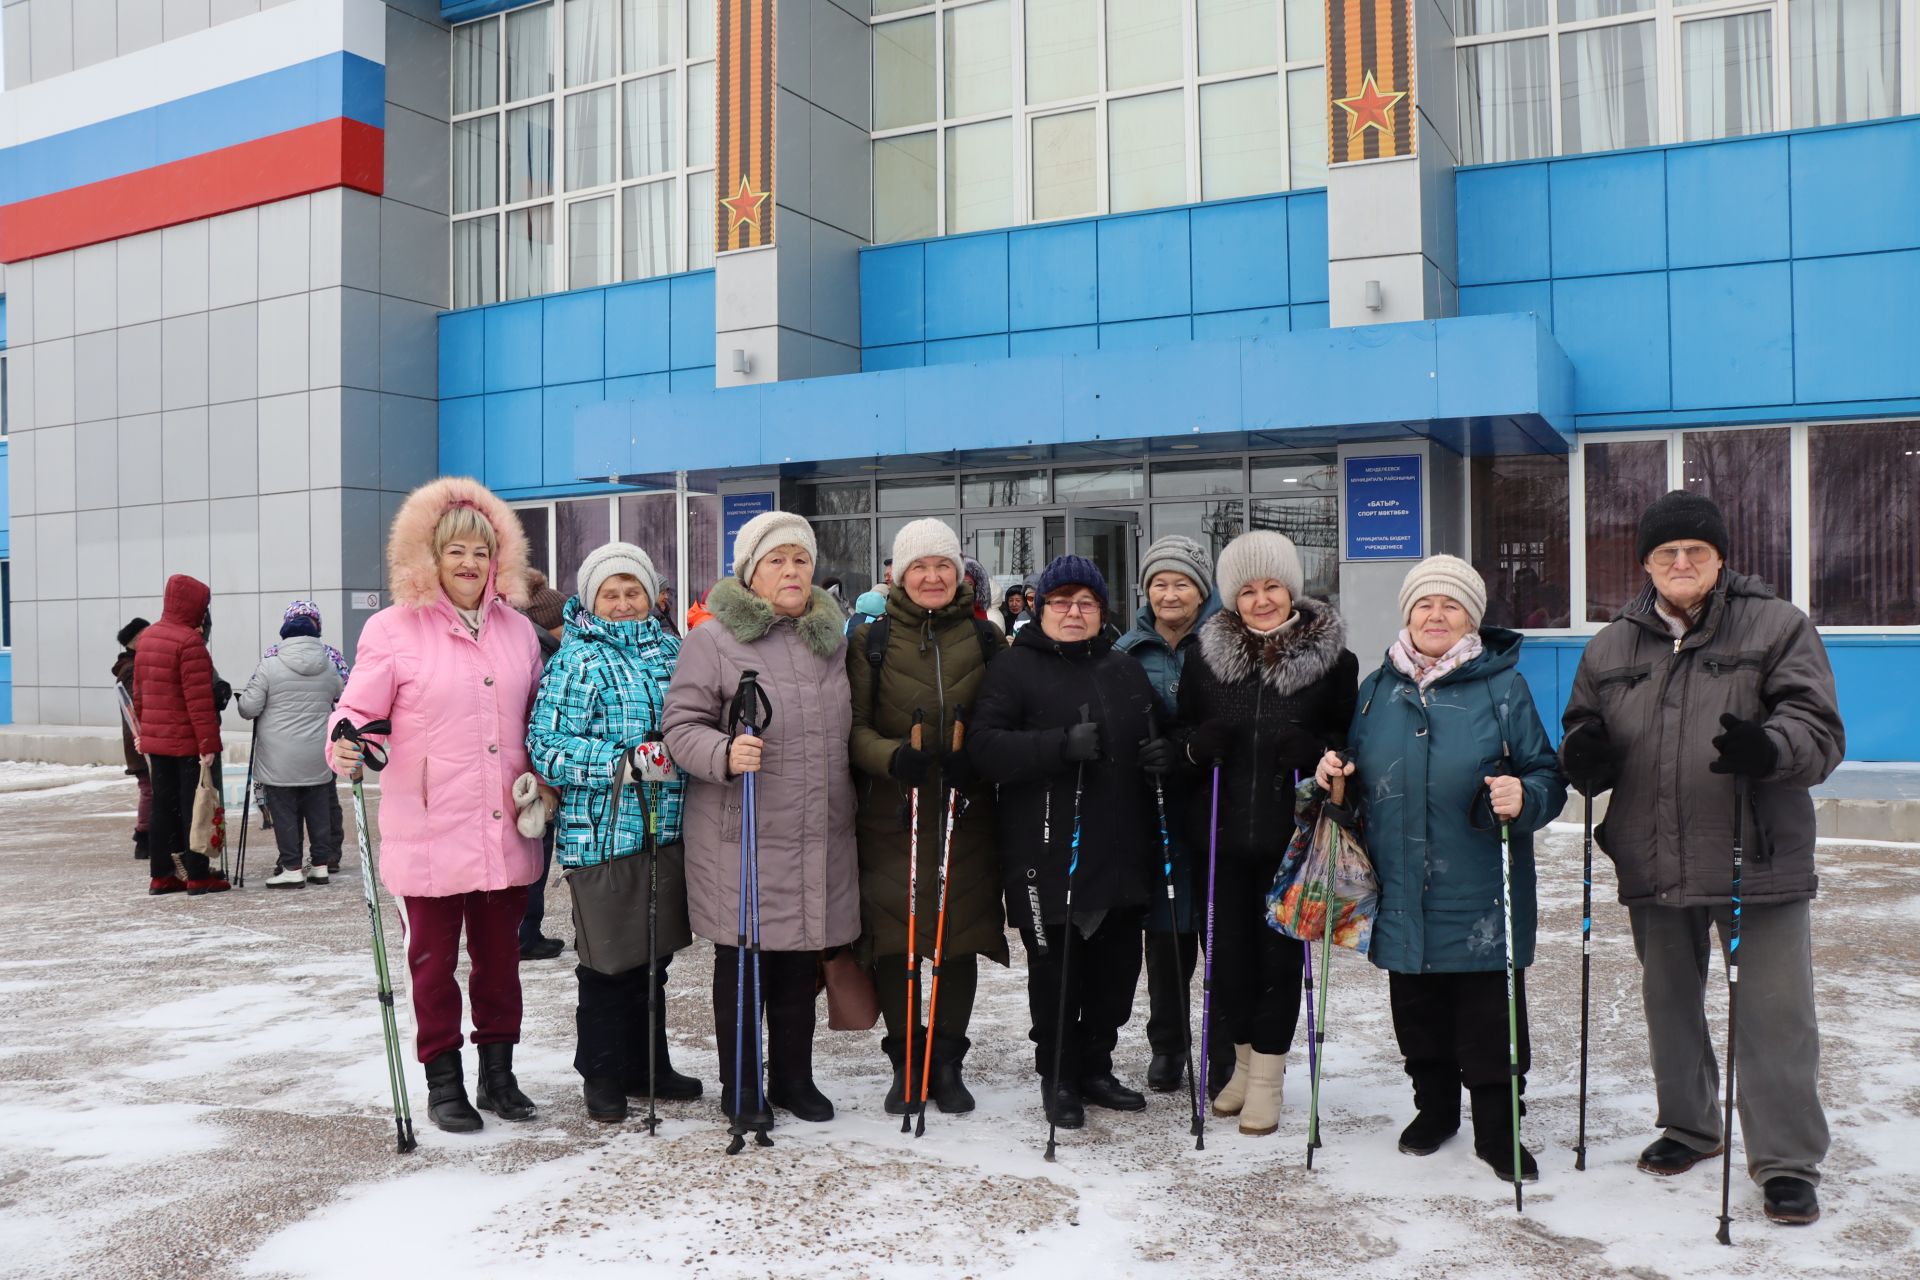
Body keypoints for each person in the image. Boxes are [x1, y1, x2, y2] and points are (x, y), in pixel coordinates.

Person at [1560, 491, 1843, 1226]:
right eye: (1665, 553)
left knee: (1776, 1016)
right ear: (1646, 564)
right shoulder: (1611, 645)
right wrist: (1581, 755)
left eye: (1695, 551)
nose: (1680, 563)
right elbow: (1584, 726)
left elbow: (1817, 727)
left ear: (1720, 558)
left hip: (1759, 855)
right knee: (1669, 1003)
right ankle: (1689, 1125)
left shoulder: (1778, 627)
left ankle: (1785, 1161)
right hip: (1651, 852)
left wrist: (1771, 746)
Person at [1318, 556, 1565, 1182]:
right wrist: (1336, 777)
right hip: (1400, 886)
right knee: (1418, 1013)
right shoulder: (1376, 689)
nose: (1436, 615)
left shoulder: (1501, 687)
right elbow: (1359, 769)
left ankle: (1498, 1129)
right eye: (1424, 604)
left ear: (1470, 620)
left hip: (1480, 889)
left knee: (1490, 1019)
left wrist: (1524, 796)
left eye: (1450, 606)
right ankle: (1434, 1111)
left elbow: (1545, 774)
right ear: (1407, 614)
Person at [328, 476, 547, 1134]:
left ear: (498, 557)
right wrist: (345, 743)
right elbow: (357, 713)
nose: (469, 564)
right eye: (455, 550)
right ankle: (443, 1080)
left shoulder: (519, 632)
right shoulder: (393, 630)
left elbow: (536, 720)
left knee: (500, 961)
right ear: (429, 556)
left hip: (503, 822)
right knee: (431, 963)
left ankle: (499, 1076)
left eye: (481, 551)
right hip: (427, 827)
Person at [663, 510, 859, 1126]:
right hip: (741, 834)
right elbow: (679, 727)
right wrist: (723, 753)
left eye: (800, 559)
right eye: (777, 560)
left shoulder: (833, 640)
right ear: (750, 574)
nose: (792, 570)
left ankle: (795, 1079)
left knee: (800, 963)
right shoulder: (714, 638)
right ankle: (742, 1086)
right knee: (746, 960)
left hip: (816, 829)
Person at [1169, 530, 1356, 1136]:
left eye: (1272, 585)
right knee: (1228, 963)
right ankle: (1242, 1067)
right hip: (1220, 836)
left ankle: (1269, 1080)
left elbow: (1353, 750)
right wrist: (1198, 748)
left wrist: (1322, 750)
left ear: (1292, 589)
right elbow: (1180, 739)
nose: (1261, 599)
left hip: (1291, 841)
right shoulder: (1204, 658)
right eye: (1246, 590)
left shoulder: (1335, 662)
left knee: (1279, 961)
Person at [969, 555, 1159, 1129]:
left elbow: (1155, 730)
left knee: (1116, 971)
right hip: (1047, 850)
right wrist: (1056, 746)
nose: (1073, 612)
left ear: (1102, 610)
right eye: (1061, 602)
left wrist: (1163, 753)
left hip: (1122, 845)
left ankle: (1096, 1065)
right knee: (1057, 972)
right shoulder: (1014, 668)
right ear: (1039, 606)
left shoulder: (1124, 668)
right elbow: (985, 748)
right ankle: (1058, 1074)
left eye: (1086, 603)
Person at [528, 542, 705, 1122]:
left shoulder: (674, 651)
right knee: (608, 961)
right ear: (591, 599)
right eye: (612, 593)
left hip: (669, 829)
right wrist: (619, 762)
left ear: (652, 595)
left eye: (634, 592)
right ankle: (601, 1073)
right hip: (602, 834)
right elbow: (547, 747)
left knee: (655, 957)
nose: (625, 603)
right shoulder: (575, 661)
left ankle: (647, 1064)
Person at [848, 520, 1004, 1116]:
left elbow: (1002, 721)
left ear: (959, 572)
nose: (932, 577)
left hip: (966, 815)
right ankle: (906, 1059)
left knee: (956, 939)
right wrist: (892, 758)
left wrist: (980, 760)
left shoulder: (987, 638)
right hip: (894, 816)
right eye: (920, 567)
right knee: (899, 940)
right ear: (897, 574)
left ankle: (947, 1059)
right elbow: (854, 729)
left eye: (943, 565)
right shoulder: (872, 641)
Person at [1113, 535, 1218, 1093]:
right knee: (1166, 935)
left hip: (1216, 802)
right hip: (1153, 810)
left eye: (1181, 582)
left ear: (1201, 591)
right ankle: (1169, 1043)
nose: (1169, 593)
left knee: (1220, 933)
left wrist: (1190, 748)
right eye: (1159, 583)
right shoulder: (1129, 650)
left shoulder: (1229, 642)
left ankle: (1223, 1046)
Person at [132, 575, 230, 897]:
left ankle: (161, 875)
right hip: (187, 744)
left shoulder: (146, 639)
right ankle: (199, 875)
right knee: (195, 808)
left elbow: (140, 694)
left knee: (163, 807)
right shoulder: (190, 644)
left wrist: (144, 732)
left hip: (157, 743)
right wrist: (209, 745)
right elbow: (199, 702)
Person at [239, 601, 348, 888]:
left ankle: (291, 867)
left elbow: (249, 707)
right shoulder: (330, 664)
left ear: (284, 634)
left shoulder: (270, 662)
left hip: (279, 755)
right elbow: (343, 696)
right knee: (319, 807)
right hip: (318, 751)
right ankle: (321, 865)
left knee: (285, 809)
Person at [514, 571, 567, 961]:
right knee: (533, 854)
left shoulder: (528, 645)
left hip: (525, 769)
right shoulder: (541, 652)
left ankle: (524, 931)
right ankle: (524, 934)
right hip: (533, 772)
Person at [114, 618, 153, 865]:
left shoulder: (133, 665)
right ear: (137, 639)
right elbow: (136, 707)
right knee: (149, 790)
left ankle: (146, 836)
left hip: (141, 738)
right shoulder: (131, 669)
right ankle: (143, 837)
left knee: (150, 789)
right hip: (140, 739)